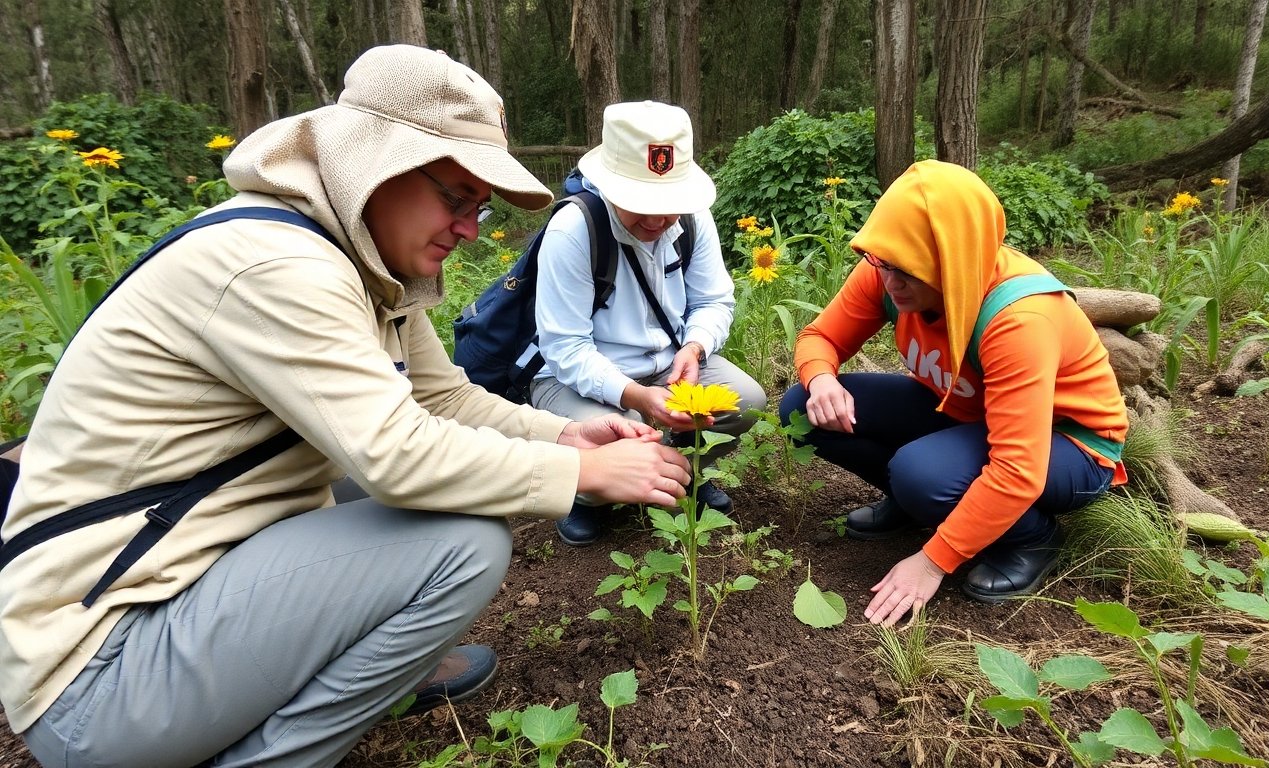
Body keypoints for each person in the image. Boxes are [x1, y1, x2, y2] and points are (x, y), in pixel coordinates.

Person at [0, 45, 691, 768]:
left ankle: (349, 656)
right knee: (463, 542)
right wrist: (580, 476)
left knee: (417, 483)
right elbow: (397, 456)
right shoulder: (279, 266)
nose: (469, 229)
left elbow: (444, 399)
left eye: (479, 208)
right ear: (373, 162)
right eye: (455, 197)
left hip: (181, 582)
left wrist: (569, 433)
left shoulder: (361, 264)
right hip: (100, 676)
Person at [779, 160, 1128, 627]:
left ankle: (1031, 540)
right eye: (884, 263)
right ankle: (920, 505)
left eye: (908, 270)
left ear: (953, 263)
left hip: (1069, 445)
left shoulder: (1018, 319)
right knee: (802, 408)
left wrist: (931, 562)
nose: (890, 282)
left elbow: (1018, 468)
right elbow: (820, 337)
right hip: (966, 412)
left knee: (922, 475)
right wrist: (821, 378)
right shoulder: (886, 272)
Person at [531, 101, 767, 547]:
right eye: (642, 204)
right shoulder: (573, 231)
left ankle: (681, 474)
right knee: (604, 440)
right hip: (574, 380)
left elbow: (715, 301)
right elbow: (564, 348)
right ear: (609, 186)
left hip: (665, 366)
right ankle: (588, 498)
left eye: (670, 204)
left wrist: (694, 348)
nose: (658, 220)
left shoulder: (695, 220)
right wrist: (637, 397)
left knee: (746, 401)